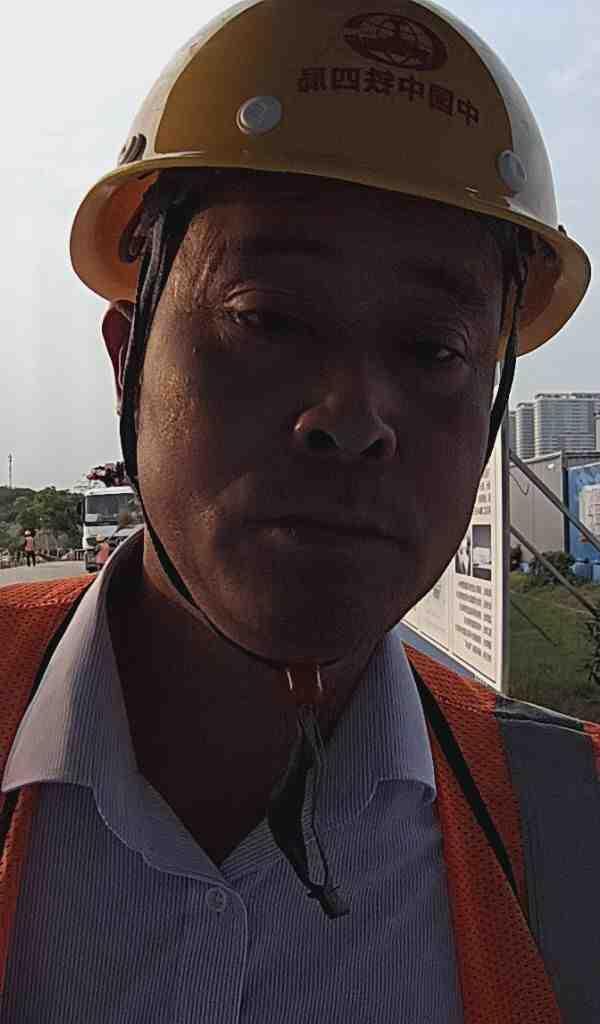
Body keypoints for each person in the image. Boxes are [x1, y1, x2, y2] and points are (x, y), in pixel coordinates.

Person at [0, 2, 595, 1021]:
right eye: (266, 317)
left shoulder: (572, 833)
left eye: (436, 349)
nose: (353, 420)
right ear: (127, 358)